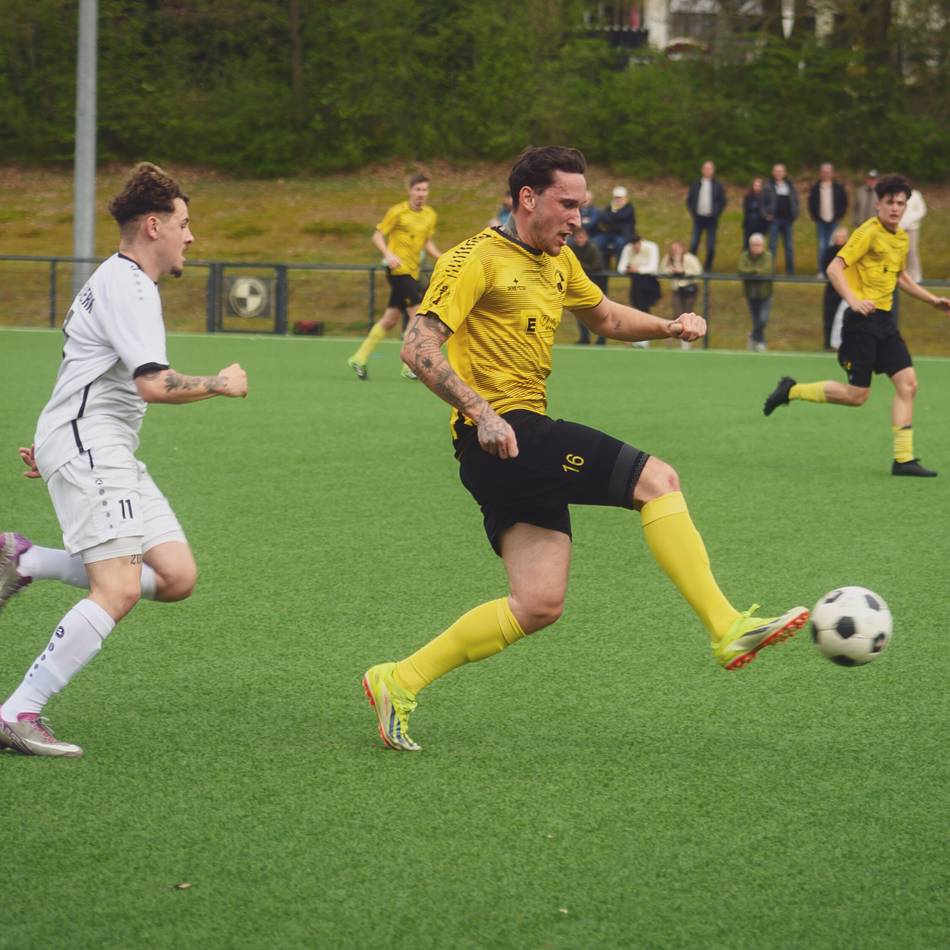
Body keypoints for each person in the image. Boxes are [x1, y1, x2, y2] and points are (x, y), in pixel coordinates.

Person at [361, 146, 808, 752]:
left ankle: (397, 679)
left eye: (583, 206)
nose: (578, 218)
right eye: (567, 204)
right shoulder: (475, 257)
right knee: (659, 481)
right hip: (503, 432)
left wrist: (669, 326)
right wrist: (481, 412)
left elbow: (606, 318)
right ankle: (726, 626)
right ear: (528, 199)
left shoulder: (558, 259)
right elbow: (417, 347)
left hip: (512, 444)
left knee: (538, 603)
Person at [0, 163, 249, 757]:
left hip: (94, 442)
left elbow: (84, 370)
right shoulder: (130, 285)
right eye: (185, 225)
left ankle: (25, 560)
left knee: (174, 576)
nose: (191, 237)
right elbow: (154, 384)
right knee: (118, 589)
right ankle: (17, 711)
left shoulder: (117, 280)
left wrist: (58, 440)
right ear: (154, 225)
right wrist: (221, 382)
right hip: (93, 443)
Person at [763, 175, 950, 478]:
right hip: (860, 323)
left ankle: (903, 460)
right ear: (878, 204)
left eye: (900, 203)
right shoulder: (867, 233)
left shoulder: (901, 238)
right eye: (889, 202)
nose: (895, 208)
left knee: (908, 383)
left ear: (906, 207)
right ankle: (792, 390)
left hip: (885, 323)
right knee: (856, 396)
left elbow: (900, 277)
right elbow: (834, 268)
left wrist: (932, 300)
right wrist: (853, 300)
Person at [347, 173, 442, 380]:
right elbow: (377, 234)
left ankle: (359, 358)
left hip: (413, 271)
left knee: (390, 320)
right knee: (417, 314)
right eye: (417, 189)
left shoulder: (430, 215)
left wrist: (442, 258)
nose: (421, 194)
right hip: (398, 271)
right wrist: (388, 254)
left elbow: (427, 242)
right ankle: (409, 365)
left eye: (424, 190)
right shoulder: (398, 212)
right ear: (409, 191)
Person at [808, 162, 848, 275]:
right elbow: (811, 203)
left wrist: (840, 215)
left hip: (834, 221)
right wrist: (815, 216)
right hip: (820, 221)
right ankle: (821, 270)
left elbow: (844, 202)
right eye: (824, 172)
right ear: (821, 173)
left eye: (828, 172)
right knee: (822, 245)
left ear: (832, 173)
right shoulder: (816, 188)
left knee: (833, 246)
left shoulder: (838, 188)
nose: (826, 174)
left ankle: (833, 270)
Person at [660, 240, 702, 350]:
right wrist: (671, 271)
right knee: (677, 313)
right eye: (673, 249)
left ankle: (686, 342)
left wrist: (683, 271)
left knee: (688, 313)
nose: (675, 251)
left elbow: (697, 271)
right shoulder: (669, 258)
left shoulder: (689, 258)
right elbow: (662, 269)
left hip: (689, 288)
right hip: (677, 288)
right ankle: (673, 340)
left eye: (677, 248)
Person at [568, 226, 606, 344]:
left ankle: (601, 338)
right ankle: (584, 338)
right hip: (579, 286)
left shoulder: (593, 248)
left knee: (599, 313)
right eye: (577, 237)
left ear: (586, 237)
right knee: (580, 312)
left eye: (581, 237)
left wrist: (579, 267)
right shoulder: (571, 248)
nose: (579, 239)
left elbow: (597, 265)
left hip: (596, 284)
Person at [686, 160, 726, 270]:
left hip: (712, 219)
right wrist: (693, 212)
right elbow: (689, 199)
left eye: (710, 169)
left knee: (710, 246)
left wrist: (716, 213)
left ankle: (707, 268)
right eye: (705, 168)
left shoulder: (718, 185)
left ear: (713, 171)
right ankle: (691, 266)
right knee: (694, 243)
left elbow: (722, 201)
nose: (707, 171)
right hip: (698, 218)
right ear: (702, 170)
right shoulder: (696, 184)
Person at [737, 233, 774, 352]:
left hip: (765, 293)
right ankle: (760, 342)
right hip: (751, 293)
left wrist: (751, 272)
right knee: (756, 319)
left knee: (763, 319)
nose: (756, 247)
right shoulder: (745, 256)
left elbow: (766, 271)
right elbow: (741, 270)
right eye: (754, 245)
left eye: (759, 245)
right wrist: (755, 271)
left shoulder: (768, 256)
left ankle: (753, 337)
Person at [763, 163, 799, 275]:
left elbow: (795, 201)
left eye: (780, 171)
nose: (778, 173)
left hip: (788, 220)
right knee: (772, 246)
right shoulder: (768, 186)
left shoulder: (790, 186)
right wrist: (766, 215)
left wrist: (795, 214)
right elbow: (762, 203)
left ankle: (790, 272)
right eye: (776, 171)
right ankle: (769, 271)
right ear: (773, 173)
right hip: (774, 220)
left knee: (789, 247)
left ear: (784, 173)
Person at [592, 185, 635, 269]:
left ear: (625, 198)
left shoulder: (629, 208)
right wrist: (613, 217)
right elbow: (602, 217)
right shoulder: (610, 207)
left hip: (622, 235)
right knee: (596, 242)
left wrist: (611, 217)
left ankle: (619, 267)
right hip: (608, 233)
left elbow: (620, 216)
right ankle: (601, 266)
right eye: (616, 197)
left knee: (620, 244)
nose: (618, 200)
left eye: (620, 198)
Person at [820, 225, 849, 350]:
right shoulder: (829, 251)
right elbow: (826, 267)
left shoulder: (849, 251)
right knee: (829, 315)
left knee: (844, 317)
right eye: (837, 236)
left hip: (845, 288)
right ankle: (828, 344)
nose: (839, 239)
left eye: (841, 236)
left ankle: (844, 343)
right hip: (831, 288)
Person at [900, 187, 927, 283]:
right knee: (900, 252)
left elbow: (922, 210)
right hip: (899, 228)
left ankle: (916, 276)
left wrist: (909, 220)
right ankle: (904, 275)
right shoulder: (898, 194)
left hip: (912, 228)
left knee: (912, 251)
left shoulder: (916, 194)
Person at [741, 177, 769, 249]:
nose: (757, 188)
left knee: (759, 244)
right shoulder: (748, 197)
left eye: (759, 186)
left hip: (761, 224)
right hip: (749, 224)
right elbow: (745, 210)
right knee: (747, 244)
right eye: (755, 185)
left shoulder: (765, 198)